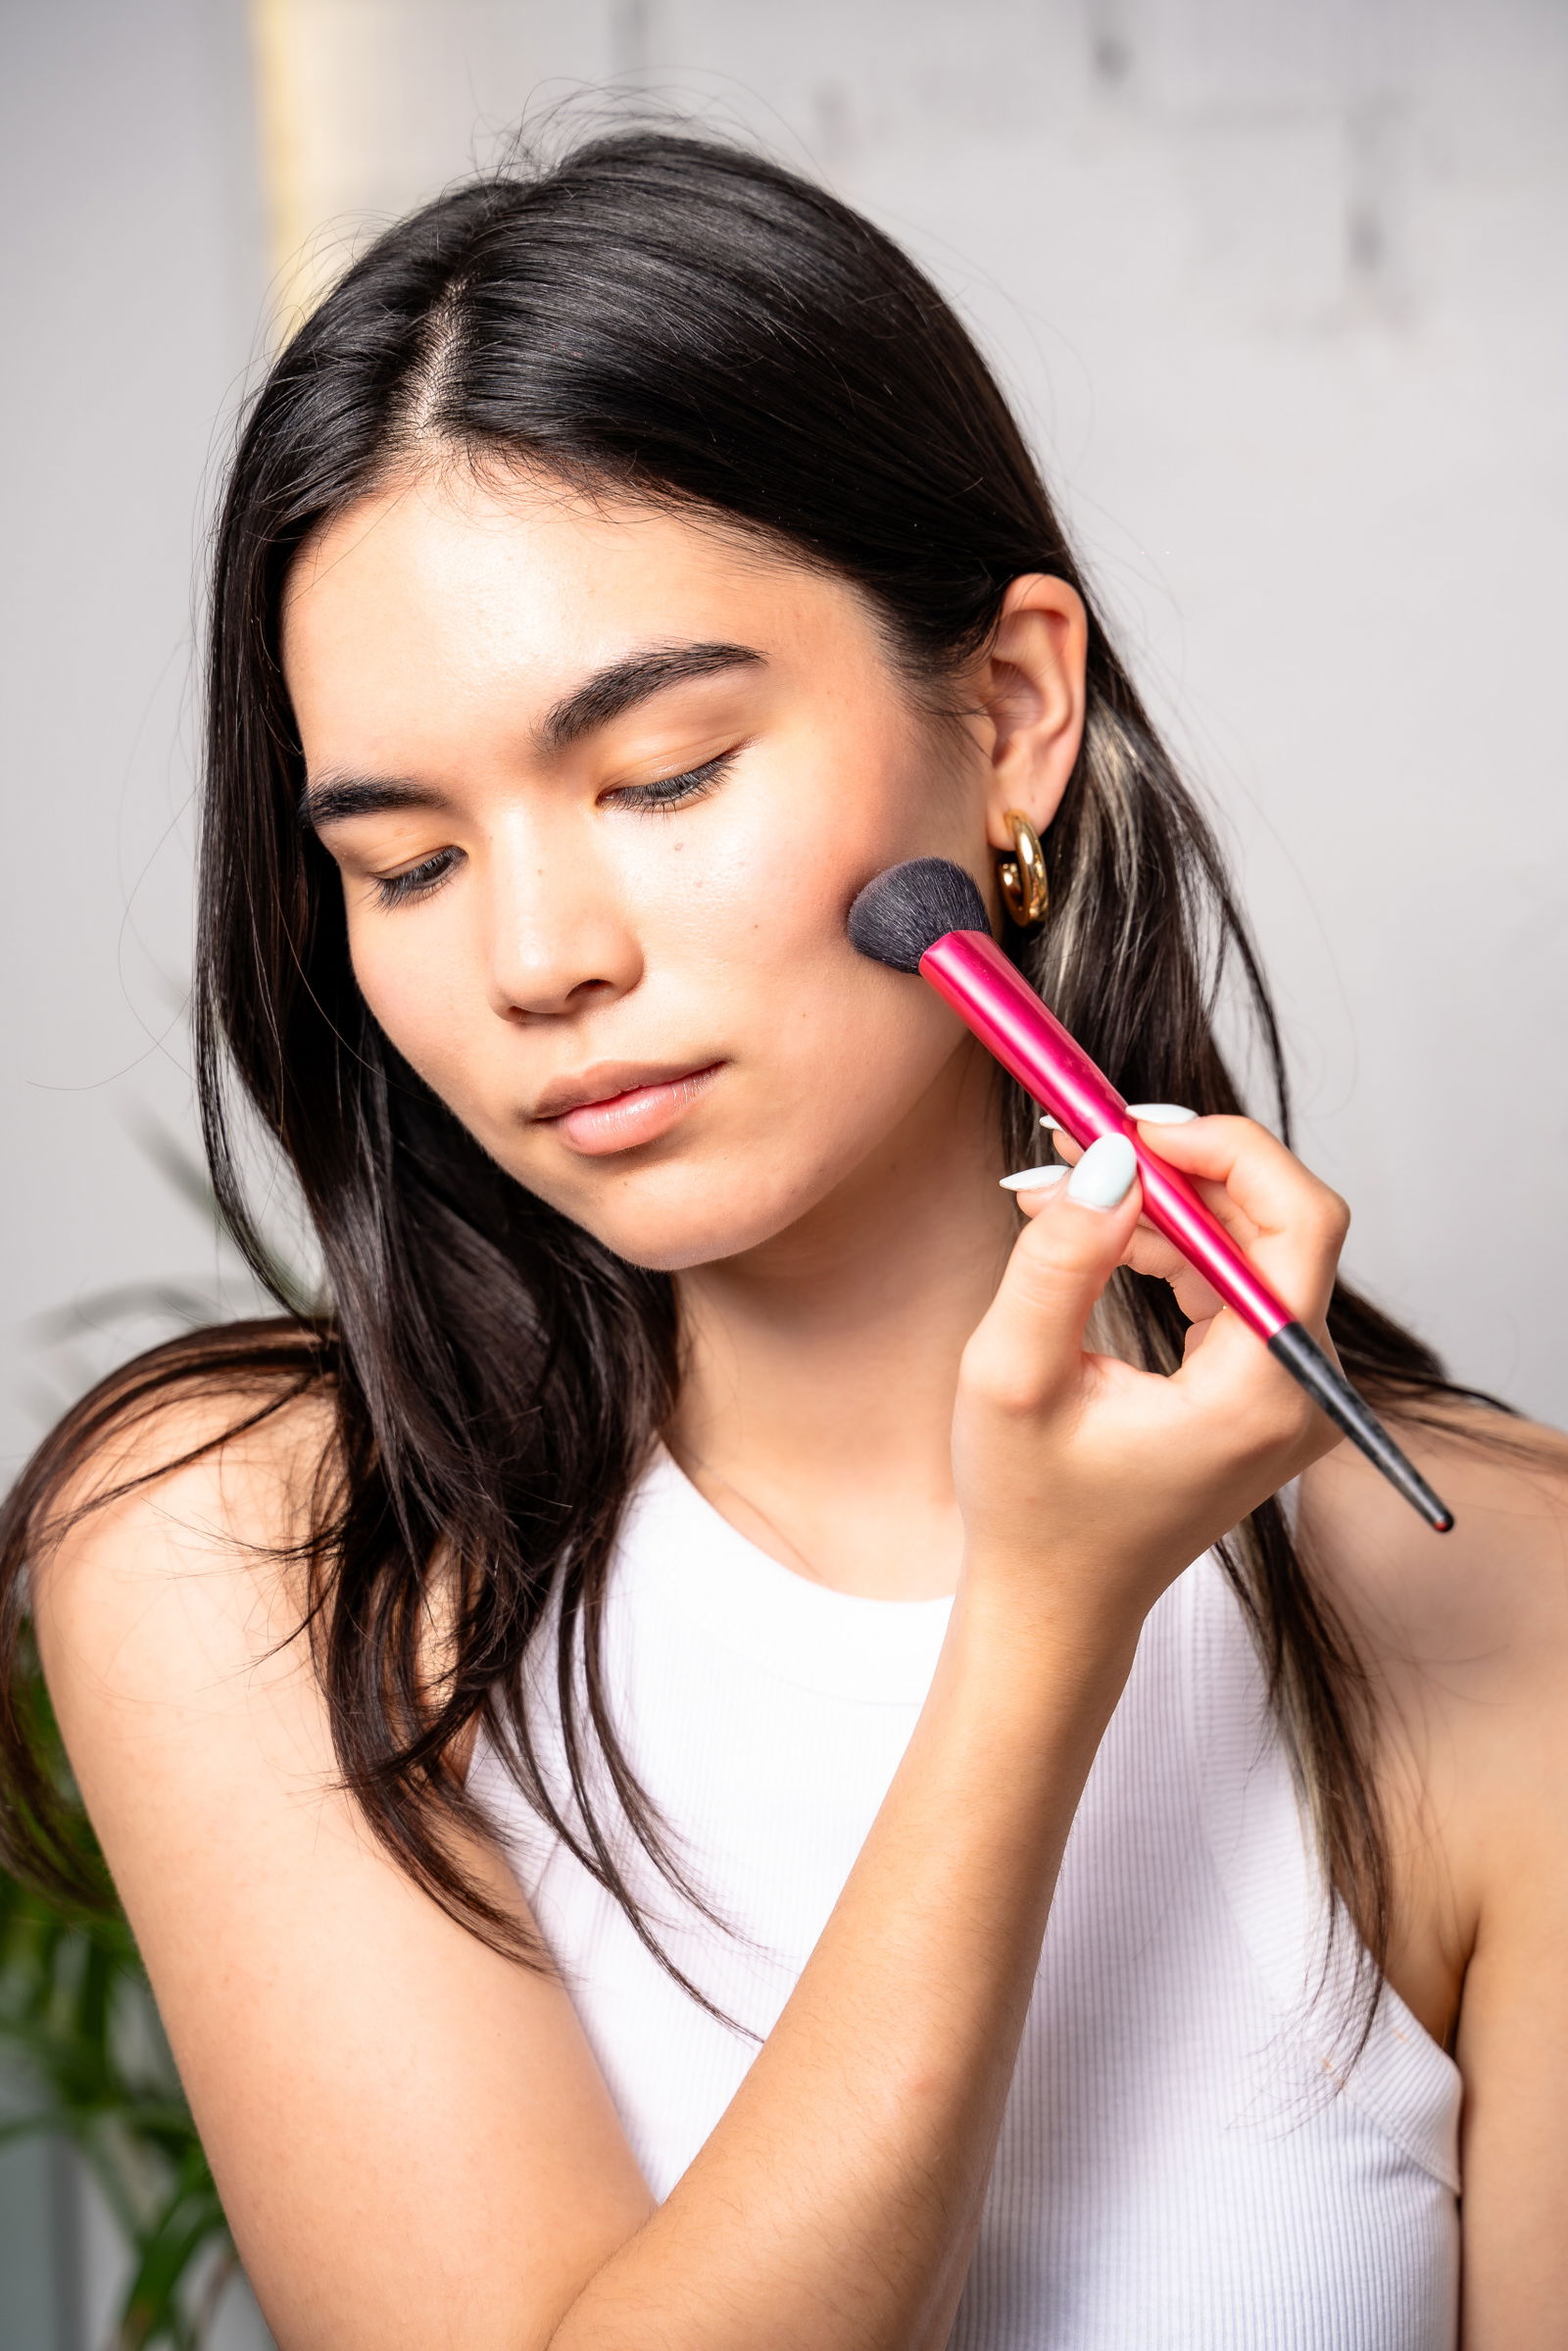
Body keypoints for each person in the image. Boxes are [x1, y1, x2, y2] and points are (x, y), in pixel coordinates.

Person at [3, 128, 1565, 2351]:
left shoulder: (1506, 1609)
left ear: (1008, 714)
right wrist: (1037, 1633)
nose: (539, 958)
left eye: (657, 776)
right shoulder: (252, 1545)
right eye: (408, 863)